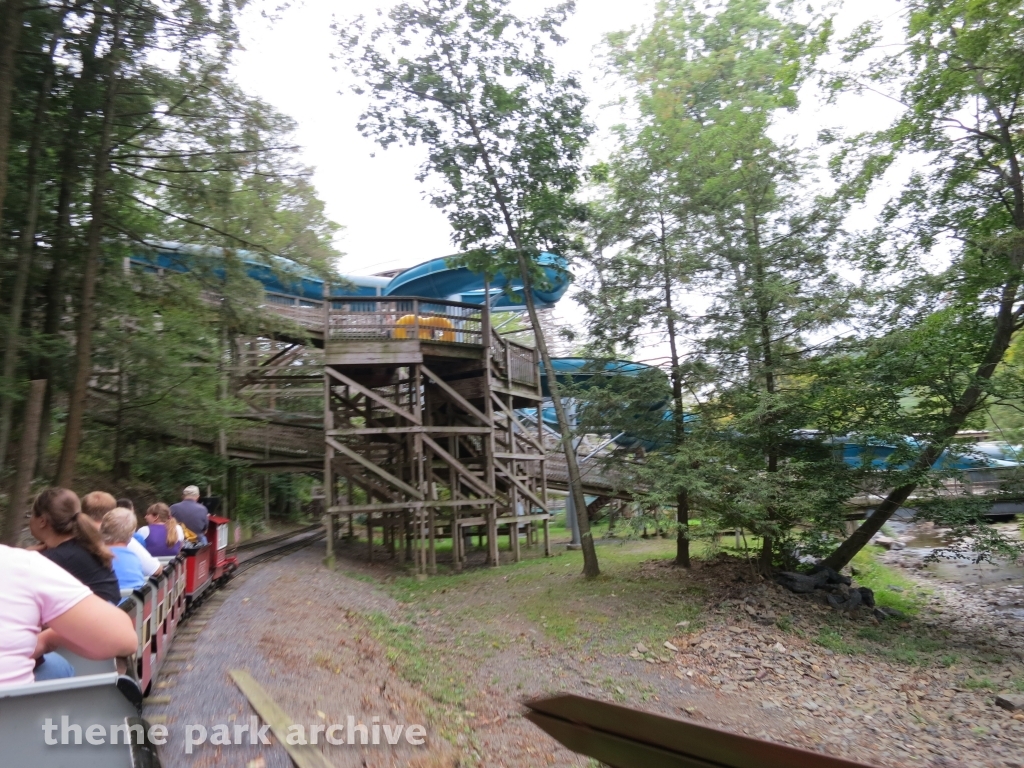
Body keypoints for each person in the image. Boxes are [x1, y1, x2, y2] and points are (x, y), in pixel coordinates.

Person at [0, 544, 138, 687]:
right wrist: (48, 640)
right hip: (19, 706)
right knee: (56, 665)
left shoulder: (45, 558)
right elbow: (124, 639)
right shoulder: (22, 564)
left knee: (53, 664)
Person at [29, 488, 121, 604]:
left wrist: (24, 557)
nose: (30, 519)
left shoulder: (53, 559)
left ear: (42, 521)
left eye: (31, 514)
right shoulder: (85, 545)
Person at [82, 490, 161, 577]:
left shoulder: (74, 539)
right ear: (112, 512)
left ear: (83, 512)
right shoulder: (121, 538)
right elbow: (155, 570)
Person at [100, 508, 148, 592]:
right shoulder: (135, 558)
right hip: (137, 602)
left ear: (102, 528)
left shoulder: (94, 556)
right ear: (132, 534)